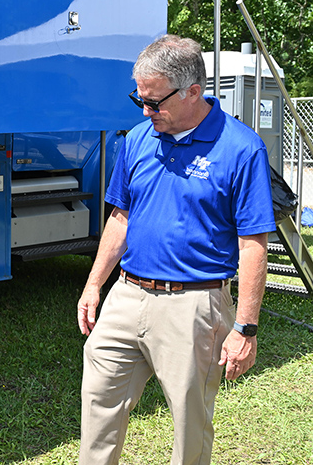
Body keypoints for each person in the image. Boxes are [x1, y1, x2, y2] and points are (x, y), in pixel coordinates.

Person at [76, 35, 275, 465]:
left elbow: (252, 243)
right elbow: (120, 218)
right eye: (140, 100)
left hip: (194, 305)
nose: (146, 112)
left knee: (189, 423)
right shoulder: (137, 140)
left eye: (154, 102)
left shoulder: (241, 149)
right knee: (98, 404)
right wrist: (95, 284)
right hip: (126, 297)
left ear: (192, 92)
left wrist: (245, 327)